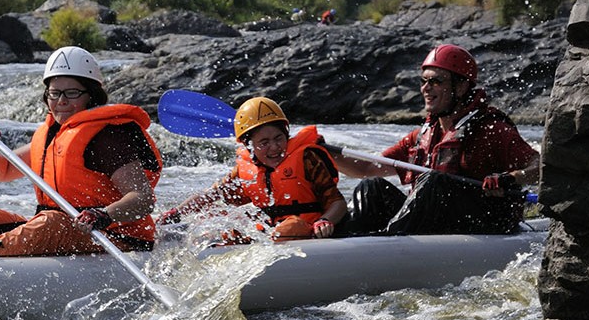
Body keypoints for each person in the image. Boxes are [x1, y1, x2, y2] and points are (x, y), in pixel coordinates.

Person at [0, 47, 163, 258]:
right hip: (55, 228)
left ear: (91, 96)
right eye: (54, 93)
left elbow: (142, 199)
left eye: (72, 92)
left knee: (50, 222)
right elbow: (2, 171)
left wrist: (103, 215)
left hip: (112, 236)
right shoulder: (52, 135)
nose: (61, 100)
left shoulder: (108, 137)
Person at [333, 44, 540, 235]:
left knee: (435, 180)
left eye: (436, 81)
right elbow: (365, 170)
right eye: (423, 81)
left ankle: (387, 240)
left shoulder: (491, 130)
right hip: (434, 223)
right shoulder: (421, 137)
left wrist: (510, 178)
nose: (426, 88)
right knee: (372, 187)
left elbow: (539, 166)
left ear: (460, 87)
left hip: (483, 223)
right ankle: (347, 237)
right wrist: (325, 153)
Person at [160, 97, 347, 241]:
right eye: (264, 142)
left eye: (279, 138)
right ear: (249, 145)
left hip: (308, 231)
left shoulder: (307, 159)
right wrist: (175, 214)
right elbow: (209, 196)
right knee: (218, 223)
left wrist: (325, 221)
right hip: (271, 232)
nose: (274, 147)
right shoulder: (244, 171)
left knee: (290, 228)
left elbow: (337, 203)